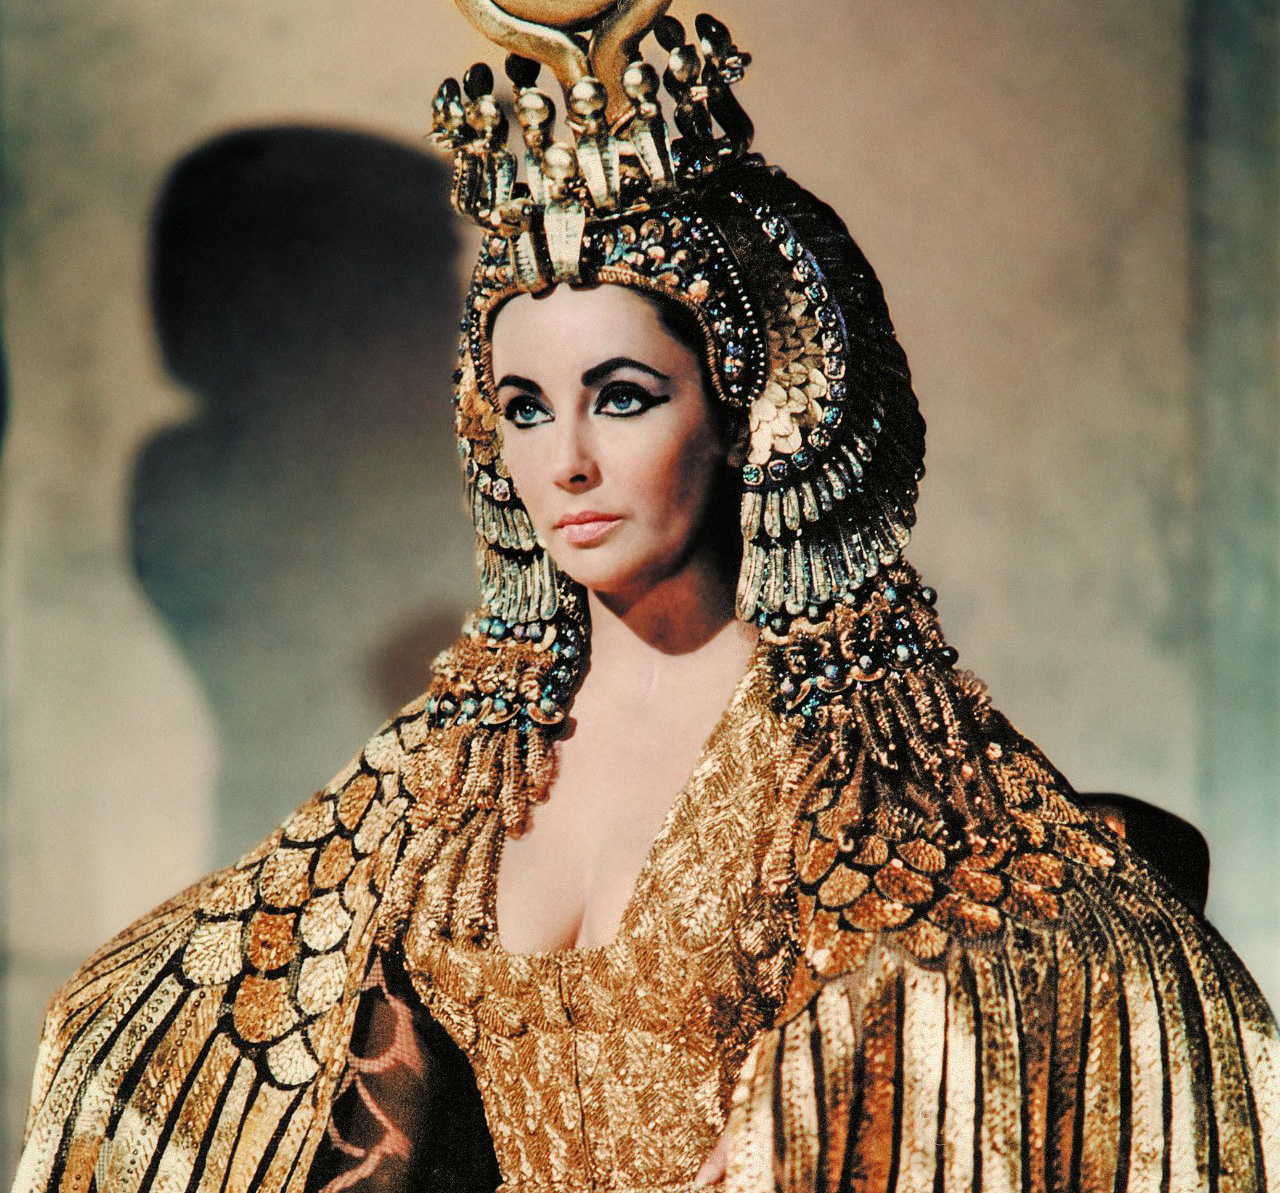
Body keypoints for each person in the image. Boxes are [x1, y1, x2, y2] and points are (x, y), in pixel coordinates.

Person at [12, 4, 1279, 1192]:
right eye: (523, 407)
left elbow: (1078, 1024)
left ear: (742, 408)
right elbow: (187, 1012)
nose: (564, 460)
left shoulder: (853, 765)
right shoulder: (458, 760)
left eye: (621, 396)